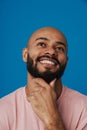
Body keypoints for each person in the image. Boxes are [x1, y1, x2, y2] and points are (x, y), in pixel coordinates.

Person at [0, 27, 87, 130]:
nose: (51, 51)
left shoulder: (84, 108)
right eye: (42, 44)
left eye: (59, 48)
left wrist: (52, 119)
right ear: (25, 54)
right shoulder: (3, 109)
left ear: (66, 61)